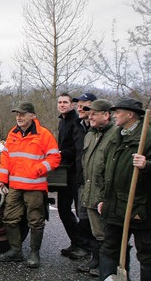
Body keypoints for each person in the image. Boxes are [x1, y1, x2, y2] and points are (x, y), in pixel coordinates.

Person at [98, 98, 151, 281]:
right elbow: (106, 170)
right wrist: (102, 198)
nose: (114, 115)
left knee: (147, 253)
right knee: (109, 247)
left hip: (141, 207)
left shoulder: (150, 137)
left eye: (118, 112)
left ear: (130, 114)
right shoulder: (116, 135)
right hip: (114, 204)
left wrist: (147, 165)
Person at [0, 102, 61, 268]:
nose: (19, 117)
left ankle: (34, 254)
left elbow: (54, 158)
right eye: (17, 114)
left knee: (35, 221)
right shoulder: (13, 133)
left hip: (35, 187)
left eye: (23, 114)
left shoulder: (43, 134)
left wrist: (38, 169)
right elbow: (6, 159)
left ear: (32, 116)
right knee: (9, 218)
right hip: (15, 185)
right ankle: (15, 251)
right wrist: (1, 180)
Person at [79, 99, 116, 277]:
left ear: (106, 115)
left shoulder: (116, 136)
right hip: (90, 191)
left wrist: (105, 196)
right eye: (89, 113)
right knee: (95, 232)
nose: (90, 116)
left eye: (94, 113)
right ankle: (96, 261)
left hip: (104, 195)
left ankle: (108, 269)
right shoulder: (90, 135)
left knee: (107, 235)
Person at [72, 92, 101, 274]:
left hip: (97, 184)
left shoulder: (98, 130)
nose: (81, 109)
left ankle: (101, 262)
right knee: (85, 219)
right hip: (83, 180)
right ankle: (93, 257)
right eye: (79, 105)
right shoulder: (81, 126)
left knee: (98, 224)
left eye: (85, 106)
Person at [56, 92, 87, 259]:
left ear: (72, 105)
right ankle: (76, 242)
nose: (62, 105)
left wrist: (59, 153)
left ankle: (84, 247)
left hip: (76, 172)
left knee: (81, 212)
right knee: (63, 209)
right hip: (65, 172)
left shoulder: (76, 122)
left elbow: (78, 149)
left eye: (65, 102)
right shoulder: (62, 121)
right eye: (60, 102)